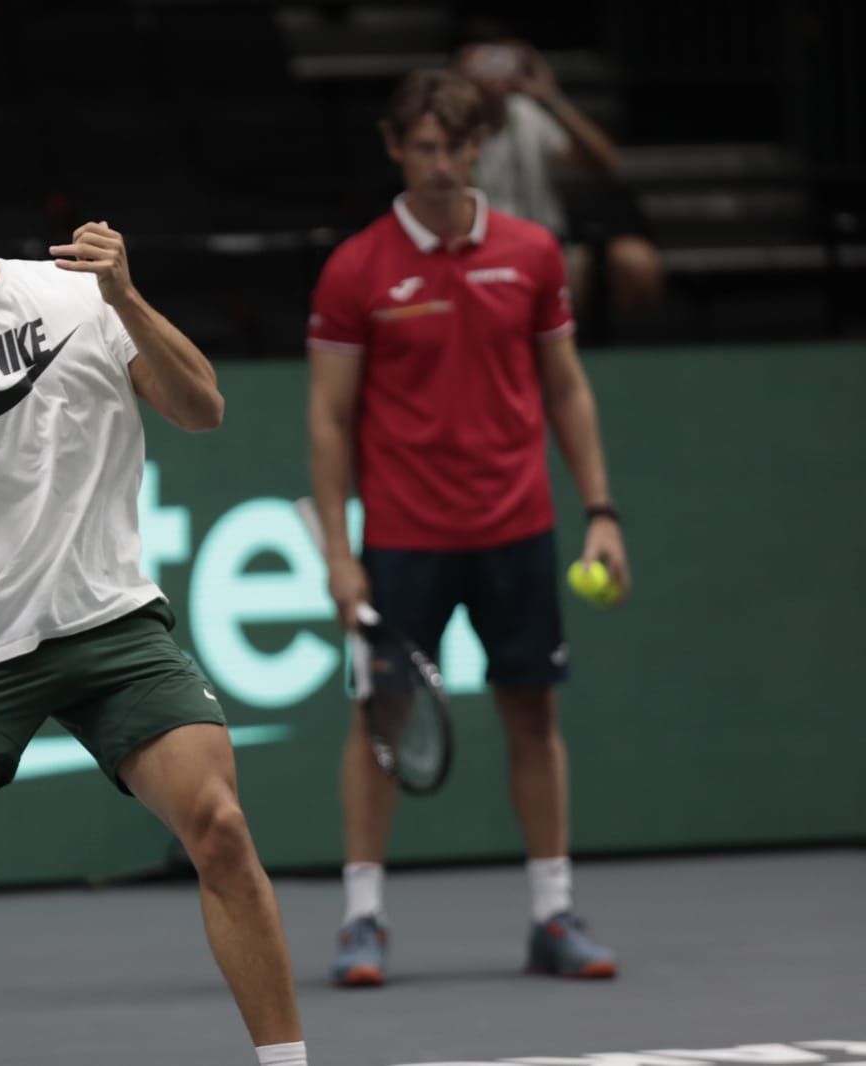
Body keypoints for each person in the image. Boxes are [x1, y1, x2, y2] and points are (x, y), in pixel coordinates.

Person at [0, 122, 308, 1066]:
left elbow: (200, 408)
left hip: (109, 624)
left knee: (220, 827)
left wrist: (121, 294)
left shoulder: (78, 297)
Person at [305, 70, 632, 987]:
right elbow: (328, 420)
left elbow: (565, 387)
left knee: (533, 712)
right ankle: (362, 921)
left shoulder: (531, 253)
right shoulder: (355, 269)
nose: (440, 165)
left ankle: (552, 914)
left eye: (454, 146)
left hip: (515, 524)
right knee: (382, 720)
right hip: (405, 534)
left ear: (477, 145)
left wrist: (599, 511)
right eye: (422, 148)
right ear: (394, 148)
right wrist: (339, 552)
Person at [457, 35, 665, 317]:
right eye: (485, 60)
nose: (495, 71)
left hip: (547, 247)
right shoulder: (451, 128)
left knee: (635, 263)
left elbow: (607, 166)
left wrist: (550, 97)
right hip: (479, 251)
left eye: (502, 60)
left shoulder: (528, 115)